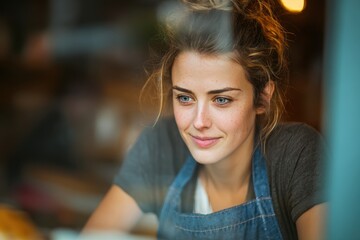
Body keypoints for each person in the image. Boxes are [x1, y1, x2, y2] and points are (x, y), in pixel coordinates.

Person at [83, 0, 326, 239]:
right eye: (185, 98)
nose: (199, 122)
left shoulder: (296, 156)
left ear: (262, 98)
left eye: (221, 100)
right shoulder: (160, 146)